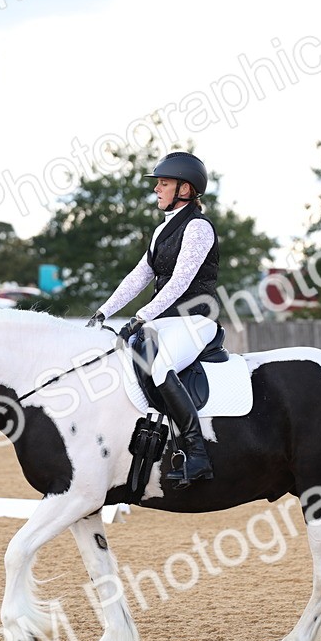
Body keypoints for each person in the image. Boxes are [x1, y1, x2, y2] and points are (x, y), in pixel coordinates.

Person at [86, 151, 220, 488]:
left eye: (164, 183)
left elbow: (180, 281)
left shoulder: (199, 228)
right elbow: (138, 277)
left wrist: (141, 316)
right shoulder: (163, 231)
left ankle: (197, 454)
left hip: (195, 320)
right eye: (157, 184)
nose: (156, 190)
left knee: (161, 368)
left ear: (185, 189)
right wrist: (104, 310)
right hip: (165, 321)